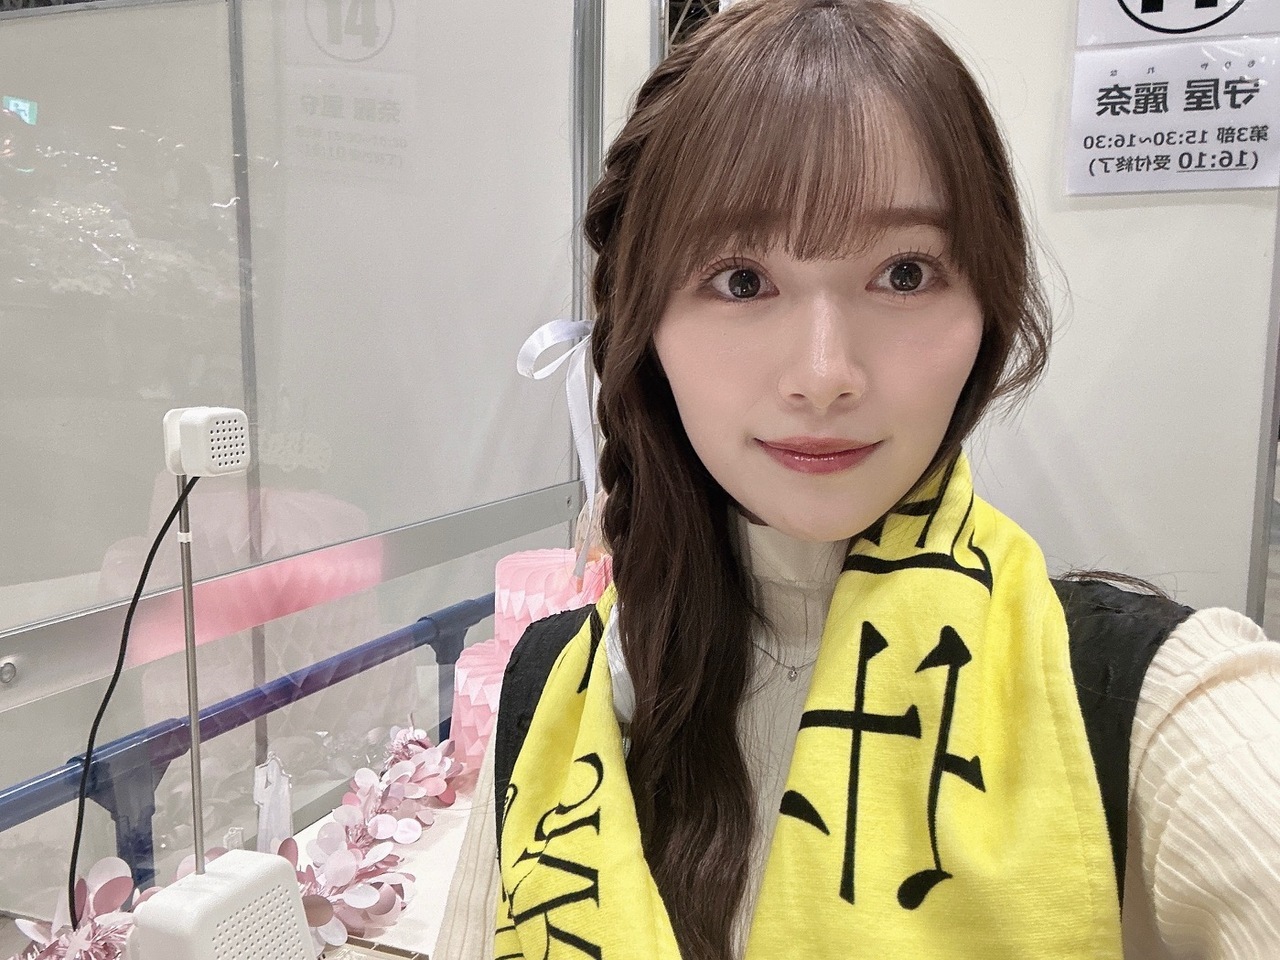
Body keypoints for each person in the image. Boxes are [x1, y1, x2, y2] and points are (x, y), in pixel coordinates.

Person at [437, 1, 1280, 957]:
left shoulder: (1138, 703)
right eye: (742, 280)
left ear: (989, 306)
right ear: (645, 323)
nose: (824, 373)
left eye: (905, 274)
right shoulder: (552, 696)